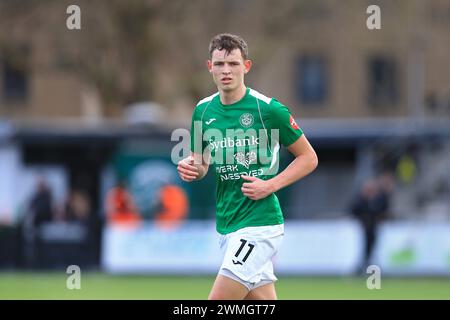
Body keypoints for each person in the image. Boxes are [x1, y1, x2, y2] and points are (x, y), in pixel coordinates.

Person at [177, 33, 318, 300]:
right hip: (228, 223)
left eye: (232, 63)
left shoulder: (269, 110)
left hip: (260, 224)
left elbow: (309, 158)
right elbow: (202, 161)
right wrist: (192, 167)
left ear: (246, 66)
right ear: (210, 67)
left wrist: (271, 184)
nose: (226, 70)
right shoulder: (203, 111)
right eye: (219, 64)